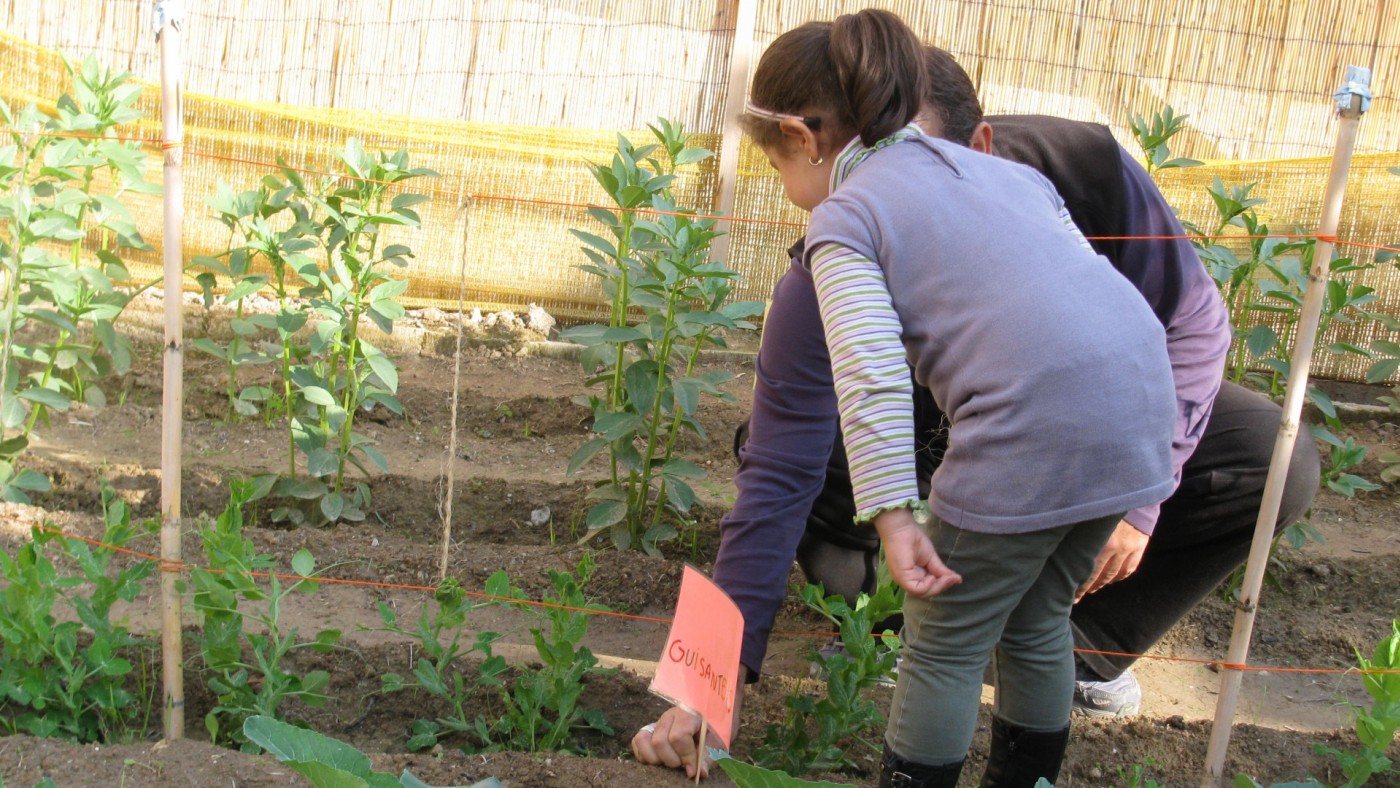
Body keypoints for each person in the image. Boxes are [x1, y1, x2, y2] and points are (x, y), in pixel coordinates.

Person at [634, 29, 1320, 787]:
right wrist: (708, 684)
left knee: (942, 644)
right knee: (1036, 622)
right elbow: (777, 472)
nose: (788, 190)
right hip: (1135, 419)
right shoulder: (1016, 183)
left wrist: (895, 518)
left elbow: (872, 383)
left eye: (776, 166)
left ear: (801, 137)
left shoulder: (848, 217)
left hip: (1022, 429)